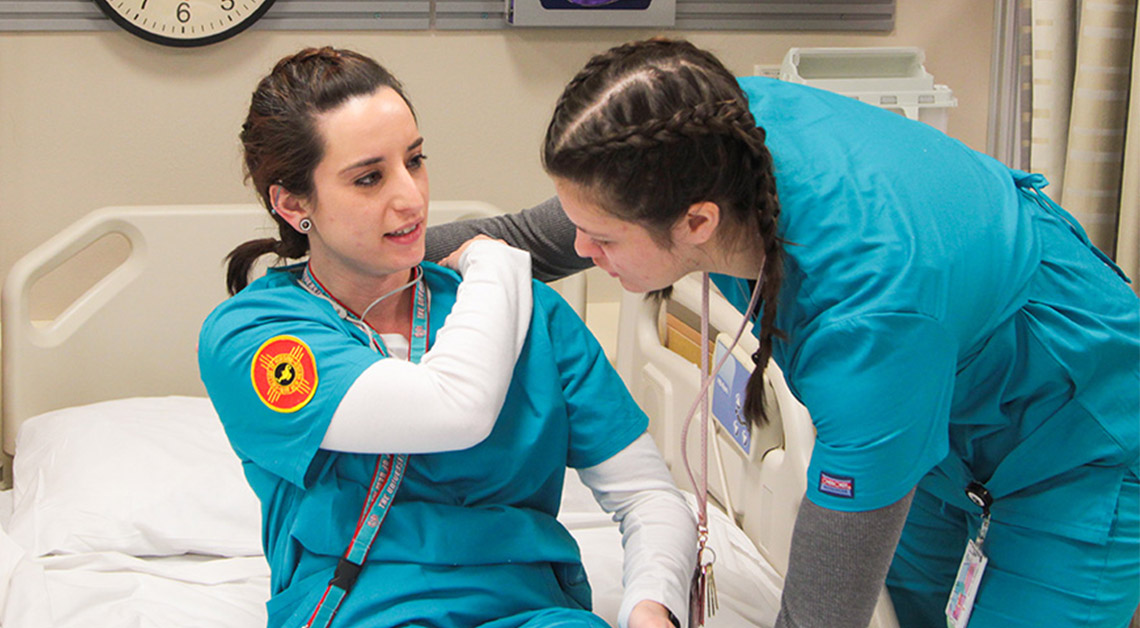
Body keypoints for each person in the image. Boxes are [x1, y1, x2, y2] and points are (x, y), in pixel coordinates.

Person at [425, 39, 1140, 628]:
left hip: (1078, 442)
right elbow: (524, 239)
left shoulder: (868, 315)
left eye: (602, 237)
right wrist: (340, 263)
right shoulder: (709, 136)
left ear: (697, 223)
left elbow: (820, 616)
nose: (581, 249)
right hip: (942, 426)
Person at [198, 47, 696, 628]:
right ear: (292, 204)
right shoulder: (256, 338)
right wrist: (496, 262)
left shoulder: (531, 315)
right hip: (361, 610)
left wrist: (651, 607)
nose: (410, 197)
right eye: (368, 178)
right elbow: (454, 409)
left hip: (533, 613)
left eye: (415, 160)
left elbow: (646, 496)